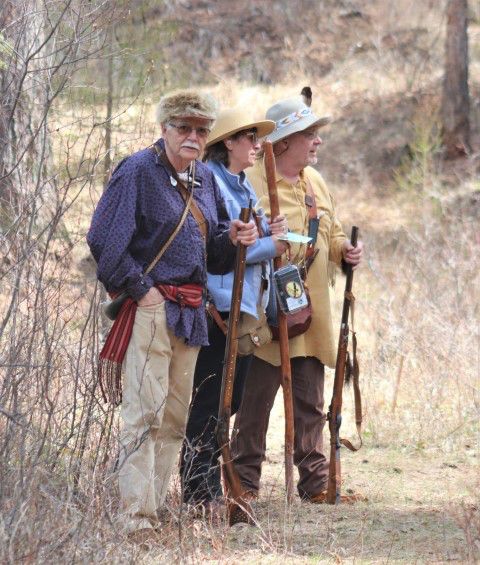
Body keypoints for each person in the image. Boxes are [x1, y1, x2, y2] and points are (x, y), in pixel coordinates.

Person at [87, 90, 258, 539]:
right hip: (152, 309)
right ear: (163, 128)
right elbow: (104, 239)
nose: (193, 137)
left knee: (175, 419)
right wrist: (141, 291)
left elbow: (215, 255)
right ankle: (135, 517)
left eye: (202, 130)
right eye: (184, 127)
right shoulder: (137, 171)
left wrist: (235, 237)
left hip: (191, 314)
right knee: (143, 414)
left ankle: (154, 510)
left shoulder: (202, 179)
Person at [232, 96, 364, 503]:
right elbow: (238, 243)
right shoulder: (252, 182)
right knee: (255, 404)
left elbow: (334, 230)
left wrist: (345, 251)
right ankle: (244, 484)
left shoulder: (315, 182)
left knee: (311, 400)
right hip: (268, 313)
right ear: (284, 141)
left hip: (311, 312)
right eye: (310, 134)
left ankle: (316, 483)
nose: (317, 142)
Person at [179, 108, 288, 514]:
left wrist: (272, 237)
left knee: (231, 400)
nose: (257, 146)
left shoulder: (243, 188)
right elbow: (222, 251)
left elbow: (249, 242)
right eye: (250, 139)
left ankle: (206, 487)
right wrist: (270, 246)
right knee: (211, 400)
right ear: (229, 142)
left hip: (243, 307)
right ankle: (198, 491)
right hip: (217, 307)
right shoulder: (211, 185)